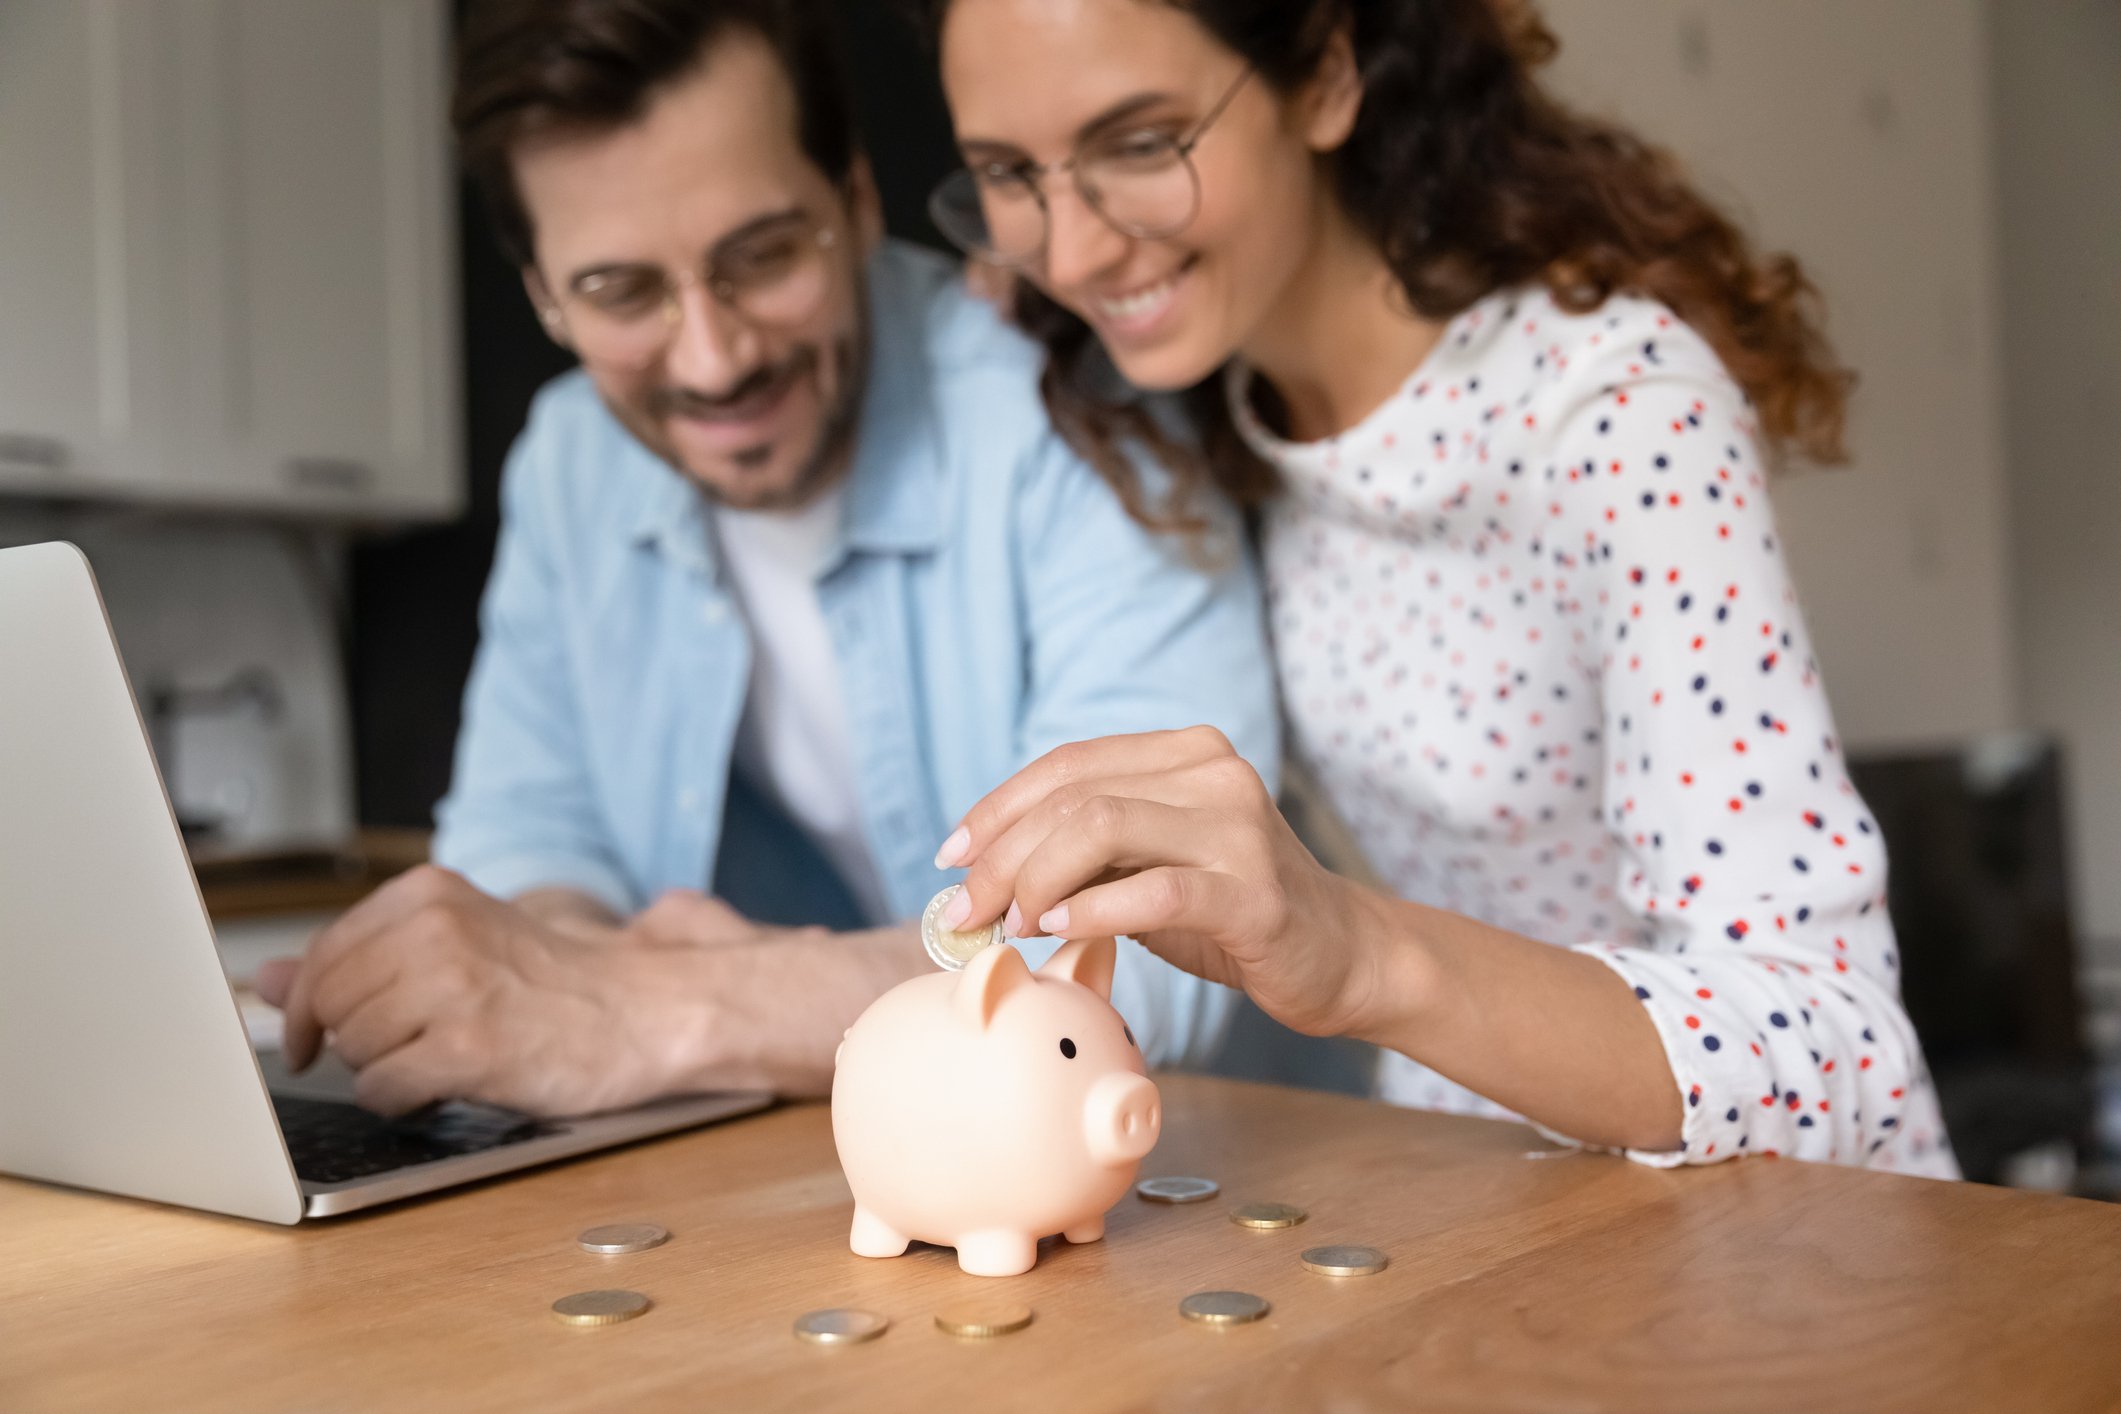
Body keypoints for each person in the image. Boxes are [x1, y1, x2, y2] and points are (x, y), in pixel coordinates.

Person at [919, 0, 1956, 1175]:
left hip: (1781, 1228)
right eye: (1009, 172)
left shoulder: (1614, 417)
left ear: (1326, 77)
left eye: (1144, 143)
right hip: (1482, 1198)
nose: (1070, 255)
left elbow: (1838, 1037)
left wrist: (1362, 953)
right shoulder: (1201, 409)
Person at [254, 0, 1277, 1117]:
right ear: (544, 293)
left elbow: (1151, 946)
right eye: (620, 292)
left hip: (1180, 1154)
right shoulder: (570, 462)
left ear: (857, 199)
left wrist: (647, 1009)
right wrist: (538, 975)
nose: (712, 359)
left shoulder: (1069, 406)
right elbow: (529, 835)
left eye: (764, 256)